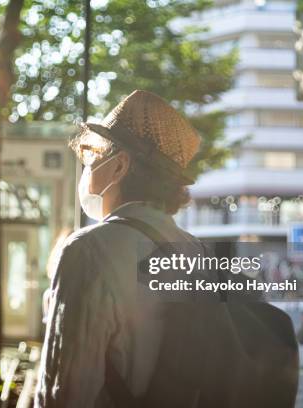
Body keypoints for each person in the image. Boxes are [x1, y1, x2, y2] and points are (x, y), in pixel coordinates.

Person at [34, 90, 201, 407]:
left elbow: (64, 392)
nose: (88, 167)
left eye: (94, 156)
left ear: (120, 166)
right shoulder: (196, 252)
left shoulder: (89, 251)